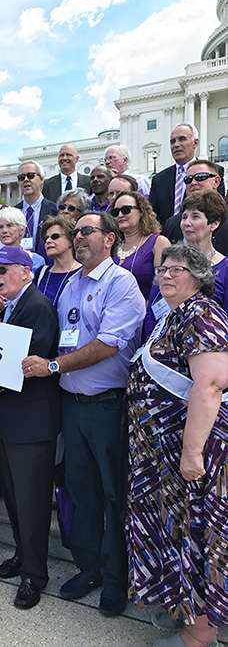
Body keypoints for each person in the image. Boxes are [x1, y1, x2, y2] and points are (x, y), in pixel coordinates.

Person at [23, 212, 146, 617]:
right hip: (72, 408)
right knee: (82, 492)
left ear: (109, 239)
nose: (78, 238)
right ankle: (89, 568)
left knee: (113, 495)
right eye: (74, 233)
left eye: (86, 231)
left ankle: (116, 579)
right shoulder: (71, 284)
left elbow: (108, 344)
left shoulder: (121, 283)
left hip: (107, 406)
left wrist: (54, 367)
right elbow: (61, 337)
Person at [126, 244, 227, 647]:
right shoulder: (174, 316)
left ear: (199, 276)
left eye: (178, 269)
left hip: (191, 456)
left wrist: (191, 453)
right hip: (161, 457)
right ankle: (183, 610)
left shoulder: (202, 315)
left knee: (197, 536)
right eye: (163, 268)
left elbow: (211, 386)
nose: (166, 275)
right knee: (176, 533)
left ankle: (199, 634)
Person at [0, 246, 60, 609]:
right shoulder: (12, 307)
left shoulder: (38, 307)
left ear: (26, 272)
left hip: (32, 422)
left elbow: (26, 367)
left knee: (31, 502)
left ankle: (34, 574)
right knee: (13, 496)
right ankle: (23, 556)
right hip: (12, 419)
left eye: (4, 269)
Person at [144, 190, 228, 338]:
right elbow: (153, 309)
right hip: (161, 350)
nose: (186, 223)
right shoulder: (168, 262)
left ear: (214, 224)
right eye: (184, 217)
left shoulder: (225, 268)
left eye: (195, 216)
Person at [150, 124, 225, 226]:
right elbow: (152, 214)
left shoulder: (214, 171)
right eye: (172, 141)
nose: (176, 145)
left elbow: (217, 209)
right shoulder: (158, 179)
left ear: (195, 143)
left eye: (182, 139)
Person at [108, 191, 170, 300]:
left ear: (141, 211)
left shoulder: (158, 242)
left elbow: (164, 285)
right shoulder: (111, 246)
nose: (120, 215)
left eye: (126, 210)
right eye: (115, 212)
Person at [162, 160, 228, 255]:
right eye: (188, 179)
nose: (193, 183)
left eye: (200, 177)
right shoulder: (172, 224)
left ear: (216, 181)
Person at [34, 215, 81, 307]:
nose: (48, 241)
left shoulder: (83, 272)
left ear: (71, 240)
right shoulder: (41, 272)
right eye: (46, 238)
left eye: (55, 236)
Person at [15, 160, 57, 258]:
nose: (25, 179)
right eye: (21, 177)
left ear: (42, 179)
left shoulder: (54, 210)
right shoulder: (14, 212)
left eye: (30, 175)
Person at [0, 206, 45, 273]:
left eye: (9, 225)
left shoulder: (36, 260)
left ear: (22, 230)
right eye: (0, 227)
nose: (4, 230)